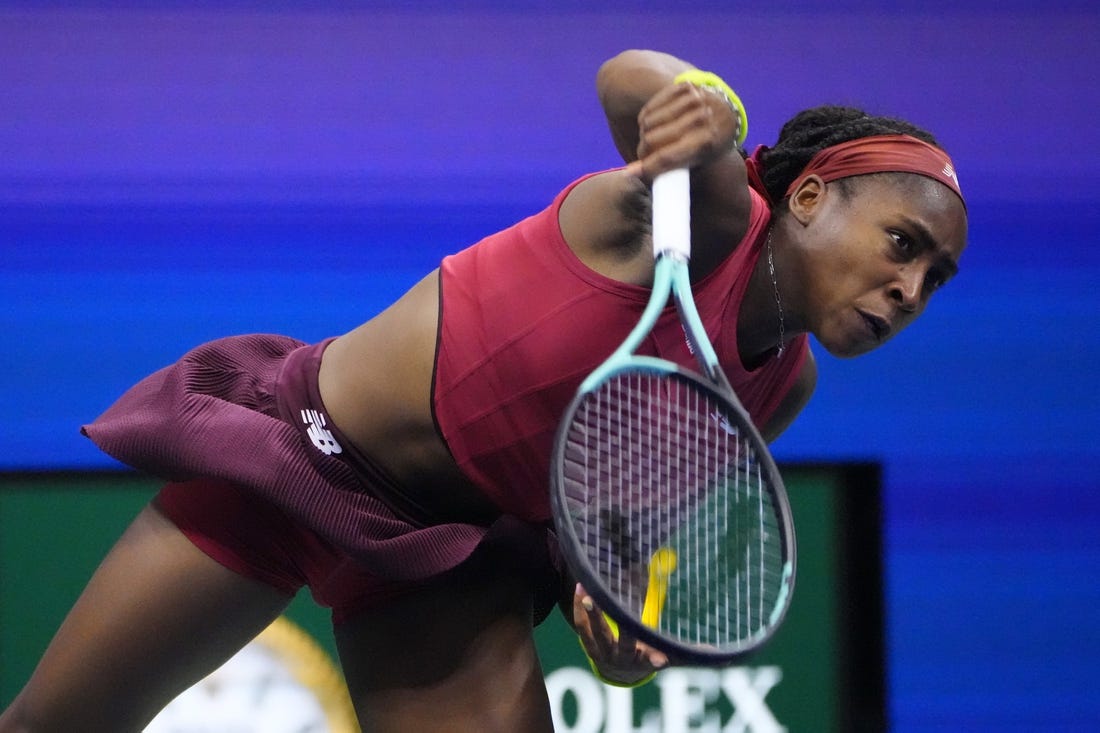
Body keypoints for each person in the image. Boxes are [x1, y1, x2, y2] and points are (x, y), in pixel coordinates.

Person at [0, 48, 967, 732]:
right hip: (301, 458)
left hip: (447, 569)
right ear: (807, 198)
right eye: (902, 243)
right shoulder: (705, 212)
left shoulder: (780, 386)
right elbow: (625, 76)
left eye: (934, 279)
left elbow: (613, 514)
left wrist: (623, 619)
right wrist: (704, 102)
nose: (909, 290)